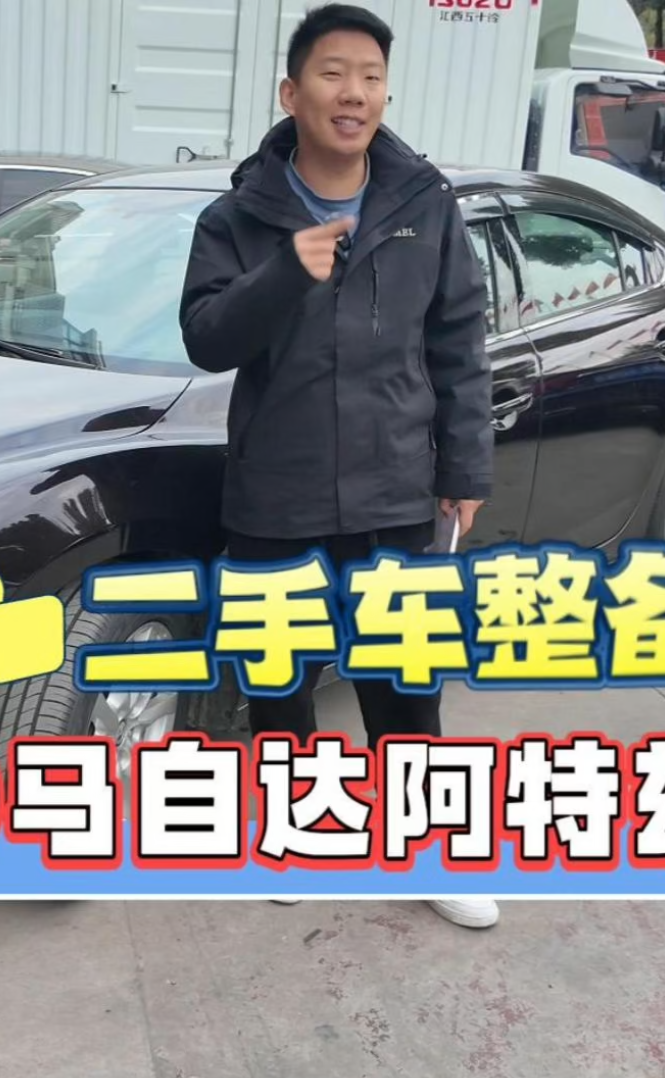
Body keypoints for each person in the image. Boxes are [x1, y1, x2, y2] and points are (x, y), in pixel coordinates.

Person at [178, 4, 498, 929]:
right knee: (278, 686)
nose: (353, 93)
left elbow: (458, 342)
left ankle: (430, 850)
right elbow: (206, 339)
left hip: (395, 488)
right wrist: (286, 270)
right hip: (275, 494)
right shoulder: (236, 217)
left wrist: (465, 469)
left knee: (404, 686)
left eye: (370, 76)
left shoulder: (424, 205)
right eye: (332, 73)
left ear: (384, 94)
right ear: (292, 92)